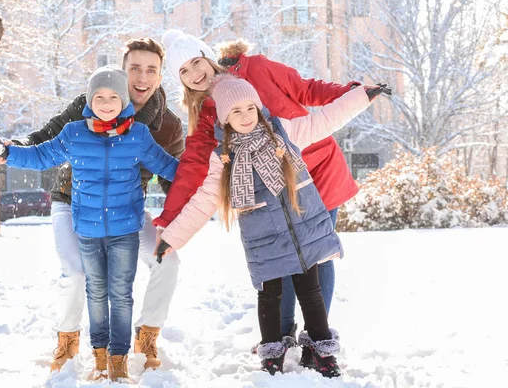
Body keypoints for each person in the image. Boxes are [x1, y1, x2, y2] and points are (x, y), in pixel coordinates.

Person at [153, 30, 380, 345]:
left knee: (316, 256)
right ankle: (282, 334)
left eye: (196, 62)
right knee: (280, 259)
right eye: (183, 71)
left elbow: (307, 92)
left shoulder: (254, 69)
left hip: (314, 170)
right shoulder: (205, 113)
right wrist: (169, 223)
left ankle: (318, 338)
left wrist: (354, 93)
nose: (194, 74)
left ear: (206, 55)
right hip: (268, 190)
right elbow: (195, 172)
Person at [0, 38, 184, 372]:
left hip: (127, 213)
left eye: (151, 69)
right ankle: (67, 343)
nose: (142, 76)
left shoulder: (168, 125)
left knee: (168, 262)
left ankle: (146, 337)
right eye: (135, 67)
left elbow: (174, 180)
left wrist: (199, 199)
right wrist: (11, 147)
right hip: (73, 203)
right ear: (122, 71)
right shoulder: (90, 102)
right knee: (77, 275)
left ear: (160, 75)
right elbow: (45, 138)